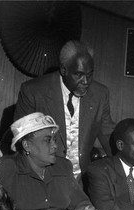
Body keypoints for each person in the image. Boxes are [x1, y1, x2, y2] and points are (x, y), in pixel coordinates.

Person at [9, 40, 115, 180]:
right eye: (79, 74)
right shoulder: (33, 91)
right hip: (44, 177)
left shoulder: (100, 93)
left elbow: (109, 136)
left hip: (82, 180)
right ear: (64, 70)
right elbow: (22, 142)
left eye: (90, 74)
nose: (86, 81)